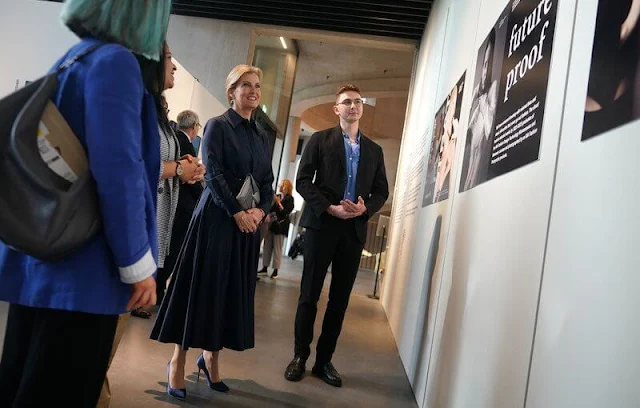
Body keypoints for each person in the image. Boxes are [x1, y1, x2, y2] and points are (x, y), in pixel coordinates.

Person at [0, 1, 172, 406]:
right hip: (84, 272)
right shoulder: (116, 63)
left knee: (24, 383)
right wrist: (138, 265)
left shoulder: (78, 57)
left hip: (50, 261)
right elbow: (119, 171)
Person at [150, 64, 274, 400]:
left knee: (228, 294)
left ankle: (211, 359)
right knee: (199, 291)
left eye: (257, 86)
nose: (253, 91)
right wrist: (237, 213)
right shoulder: (218, 126)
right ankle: (178, 361)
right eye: (245, 85)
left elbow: (267, 181)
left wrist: (260, 211)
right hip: (217, 223)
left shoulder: (261, 136)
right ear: (231, 90)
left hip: (246, 228)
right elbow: (215, 175)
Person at [284, 84, 389, 387]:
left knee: (340, 300)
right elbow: (303, 181)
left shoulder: (375, 150)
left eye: (358, 101)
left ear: (361, 108)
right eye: (347, 102)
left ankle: (323, 361)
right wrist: (329, 207)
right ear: (337, 109)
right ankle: (300, 356)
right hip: (322, 225)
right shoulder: (319, 140)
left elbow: (381, 190)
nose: (353, 106)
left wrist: (363, 208)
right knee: (309, 295)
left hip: (353, 231)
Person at [130, 45, 204, 320]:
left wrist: (182, 164)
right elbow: (132, 166)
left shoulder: (156, 109)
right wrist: (178, 169)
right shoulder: (137, 103)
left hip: (157, 220)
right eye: (170, 59)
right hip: (138, 221)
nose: (174, 67)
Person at [161, 110, 205, 286]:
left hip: (173, 203)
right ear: (194, 127)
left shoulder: (173, 138)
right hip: (182, 206)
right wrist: (203, 197)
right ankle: (157, 290)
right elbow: (190, 177)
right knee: (172, 250)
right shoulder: (185, 145)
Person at [462, 29, 498, 191]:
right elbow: (465, 135)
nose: (485, 72)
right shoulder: (478, 93)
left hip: (478, 179)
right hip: (468, 179)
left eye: (488, 67)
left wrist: (483, 105)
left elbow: (490, 130)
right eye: (484, 65)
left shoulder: (492, 90)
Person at [258, 179, 295, 279]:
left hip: (281, 227)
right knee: (267, 246)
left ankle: (275, 270)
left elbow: (286, 212)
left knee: (277, 248)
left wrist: (279, 203)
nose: (280, 187)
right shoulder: (277, 196)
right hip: (271, 224)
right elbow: (270, 209)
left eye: (282, 186)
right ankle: (265, 267)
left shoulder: (289, 199)